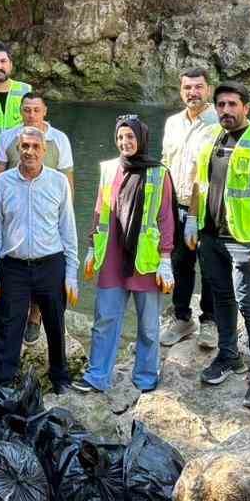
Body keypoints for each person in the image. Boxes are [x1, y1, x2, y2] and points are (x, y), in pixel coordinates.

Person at [185, 82, 250, 411]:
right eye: (221, 105)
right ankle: (229, 356)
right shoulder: (211, 138)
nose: (226, 110)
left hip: (244, 239)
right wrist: (191, 219)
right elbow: (201, 183)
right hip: (211, 235)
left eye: (232, 104)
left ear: (246, 107)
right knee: (221, 296)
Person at [74, 116, 175, 395]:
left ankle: (145, 377)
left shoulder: (158, 172)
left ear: (141, 139)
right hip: (112, 255)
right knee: (105, 318)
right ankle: (97, 376)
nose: (124, 142)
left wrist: (166, 259)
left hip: (144, 259)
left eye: (130, 137)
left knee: (148, 326)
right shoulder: (108, 169)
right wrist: (92, 246)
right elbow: (98, 208)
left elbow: (166, 217)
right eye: (120, 137)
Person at [0, 127, 76, 392]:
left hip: (51, 263)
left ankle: (60, 379)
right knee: (9, 325)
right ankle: (2, 382)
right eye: (25, 146)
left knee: (55, 323)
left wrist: (71, 274)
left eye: (36, 147)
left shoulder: (58, 182)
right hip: (13, 266)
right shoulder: (3, 182)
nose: (30, 152)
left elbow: (68, 230)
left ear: (45, 151)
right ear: (17, 149)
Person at [160, 69, 219, 349]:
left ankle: (210, 321)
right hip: (176, 205)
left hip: (209, 208)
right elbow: (165, 162)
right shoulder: (172, 123)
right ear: (180, 90)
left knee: (209, 265)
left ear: (208, 89)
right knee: (180, 264)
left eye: (198, 87)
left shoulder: (220, 122)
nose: (192, 92)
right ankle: (182, 317)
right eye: (187, 87)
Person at [0, 94, 75, 195]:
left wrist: (69, 208)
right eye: (27, 110)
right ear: (20, 111)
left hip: (48, 200)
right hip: (14, 199)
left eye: (37, 110)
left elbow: (67, 181)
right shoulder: (6, 137)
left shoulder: (60, 139)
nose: (31, 115)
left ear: (45, 111)